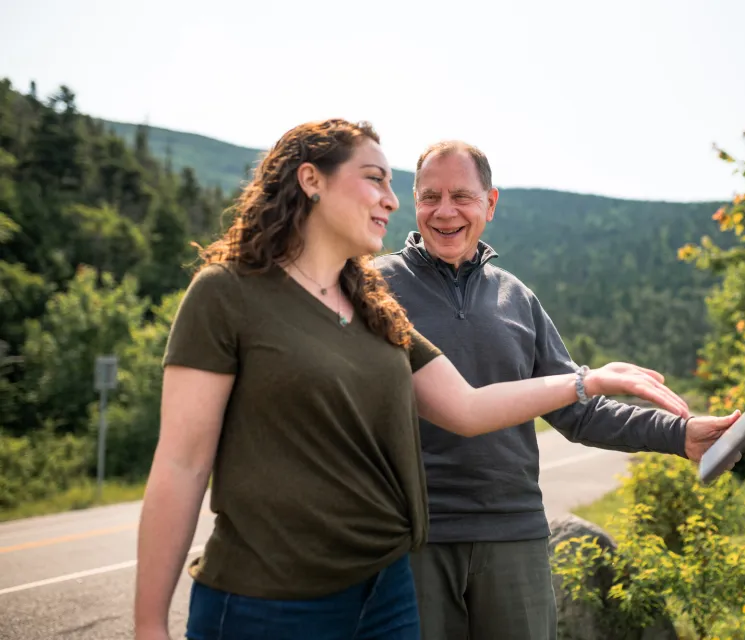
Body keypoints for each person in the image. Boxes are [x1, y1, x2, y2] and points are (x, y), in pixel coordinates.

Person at [133, 119, 699, 640]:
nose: (402, 202)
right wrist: (149, 622)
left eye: (457, 196)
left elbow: (471, 407)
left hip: (421, 572)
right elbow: (183, 462)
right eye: (399, 187)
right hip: (320, 578)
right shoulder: (273, 292)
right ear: (311, 181)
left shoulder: (389, 306)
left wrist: (610, 394)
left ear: (489, 204)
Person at [374, 140, 742, 640]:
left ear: (491, 203)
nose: (444, 212)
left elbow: (579, 409)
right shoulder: (375, 288)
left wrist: (680, 435)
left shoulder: (517, 299)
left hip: (514, 534)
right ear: (414, 201)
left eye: (461, 196)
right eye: (430, 196)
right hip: (413, 539)